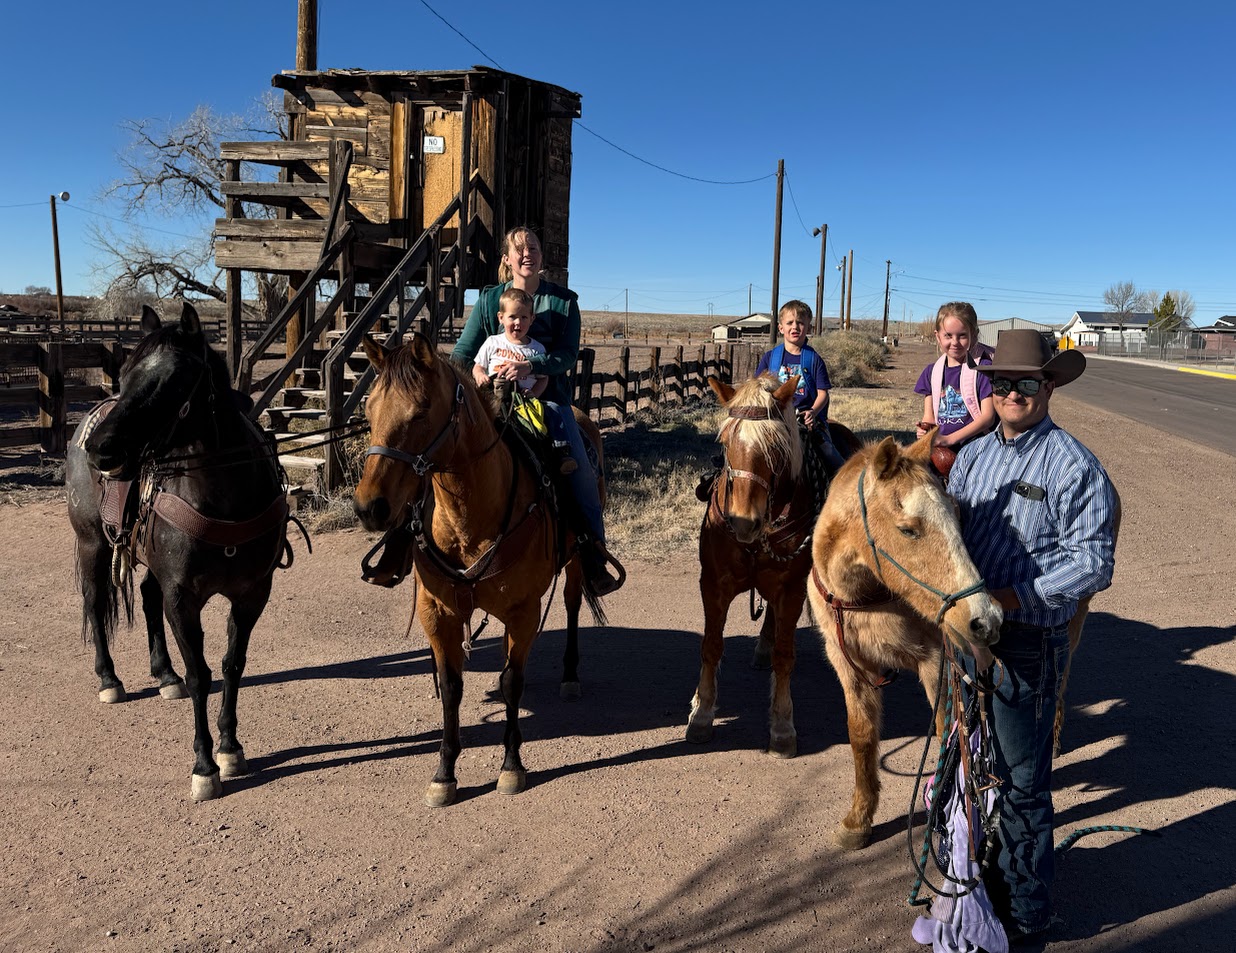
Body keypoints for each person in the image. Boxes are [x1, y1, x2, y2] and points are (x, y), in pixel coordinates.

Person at [948, 329, 1117, 946]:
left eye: (1026, 382)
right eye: (1002, 383)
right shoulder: (972, 456)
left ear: (1048, 387)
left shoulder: (1074, 465)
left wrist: (1009, 598)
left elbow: (1092, 562)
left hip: (1025, 642)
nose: (1013, 393)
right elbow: (952, 536)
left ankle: (1025, 909)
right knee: (965, 768)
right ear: (990, 389)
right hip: (968, 642)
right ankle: (971, 875)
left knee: (1023, 781)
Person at [452, 226, 622, 596]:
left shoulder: (563, 303)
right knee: (439, 454)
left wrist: (533, 367)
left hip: (548, 402)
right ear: (507, 259)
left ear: (542, 257)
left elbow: (567, 354)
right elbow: (463, 354)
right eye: (518, 248)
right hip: (492, 404)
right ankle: (408, 542)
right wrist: (477, 378)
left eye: (533, 247)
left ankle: (593, 554)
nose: (526, 253)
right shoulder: (489, 301)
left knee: (581, 468)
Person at [470, 288, 575, 476]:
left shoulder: (536, 349)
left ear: (532, 319)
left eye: (524, 317)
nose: (518, 323)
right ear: (501, 318)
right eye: (512, 317)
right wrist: (479, 376)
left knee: (551, 410)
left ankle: (562, 452)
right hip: (496, 400)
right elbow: (478, 366)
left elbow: (544, 378)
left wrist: (534, 393)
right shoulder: (493, 343)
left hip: (525, 402)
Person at [754, 300, 846, 474]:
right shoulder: (770, 358)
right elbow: (757, 387)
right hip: (775, 419)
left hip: (806, 420)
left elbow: (823, 394)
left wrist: (812, 412)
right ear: (781, 328)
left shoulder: (814, 359)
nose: (795, 327)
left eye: (800, 323)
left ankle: (842, 484)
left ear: (808, 328)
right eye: (789, 323)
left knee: (829, 455)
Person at [914, 301, 997, 451]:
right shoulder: (931, 372)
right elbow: (929, 417)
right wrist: (924, 430)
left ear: (974, 334)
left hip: (977, 449)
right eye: (948, 335)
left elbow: (988, 418)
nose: (955, 342)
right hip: (942, 451)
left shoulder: (983, 368)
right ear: (937, 336)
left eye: (962, 335)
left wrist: (949, 439)